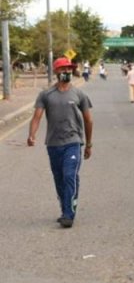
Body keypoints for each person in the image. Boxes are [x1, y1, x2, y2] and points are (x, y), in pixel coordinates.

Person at [27, 57, 93, 229]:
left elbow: (88, 120)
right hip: (53, 144)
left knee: (69, 175)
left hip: (73, 141)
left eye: (69, 69)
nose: (67, 72)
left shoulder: (79, 94)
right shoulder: (46, 95)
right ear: (56, 72)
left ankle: (68, 215)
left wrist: (89, 144)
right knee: (60, 179)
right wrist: (31, 135)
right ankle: (67, 207)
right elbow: (37, 117)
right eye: (63, 69)